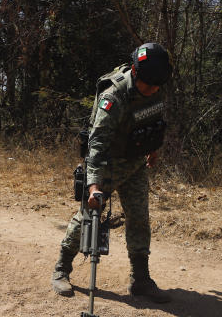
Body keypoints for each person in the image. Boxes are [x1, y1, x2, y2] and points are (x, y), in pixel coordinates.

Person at [51, 42, 173, 303]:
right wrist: (94, 186)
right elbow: (97, 144)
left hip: (135, 163)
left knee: (139, 218)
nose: (153, 90)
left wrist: (153, 148)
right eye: (149, 85)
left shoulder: (155, 84)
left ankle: (140, 279)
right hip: (107, 163)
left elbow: (153, 119)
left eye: (157, 86)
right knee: (88, 215)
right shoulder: (114, 96)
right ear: (136, 73)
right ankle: (62, 268)